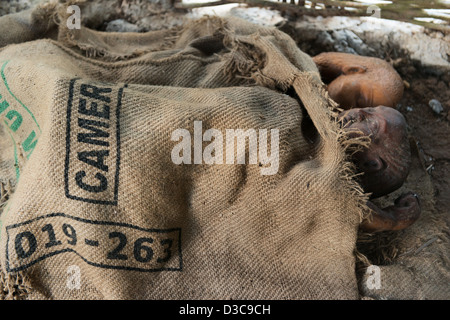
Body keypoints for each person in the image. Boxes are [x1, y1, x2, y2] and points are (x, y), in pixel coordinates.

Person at [315, 52, 420, 232]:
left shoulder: (318, 168)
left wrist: (391, 219)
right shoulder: (313, 103)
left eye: (370, 124)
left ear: (370, 163)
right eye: (366, 107)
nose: (356, 111)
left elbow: (345, 202)